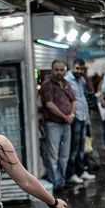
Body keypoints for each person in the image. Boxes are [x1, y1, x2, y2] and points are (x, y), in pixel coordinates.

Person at [39, 59, 76, 188]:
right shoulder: (47, 85)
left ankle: (62, 181)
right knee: (53, 156)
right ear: (52, 70)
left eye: (61, 70)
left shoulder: (66, 83)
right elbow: (49, 104)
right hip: (53, 124)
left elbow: (73, 100)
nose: (59, 72)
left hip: (67, 124)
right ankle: (55, 183)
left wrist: (71, 115)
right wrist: (65, 117)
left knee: (64, 155)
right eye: (57, 69)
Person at [65, 58, 96, 182]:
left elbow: (90, 91)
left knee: (81, 146)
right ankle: (72, 173)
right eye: (77, 68)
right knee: (74, 146)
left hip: (83, 116)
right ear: (72, 67)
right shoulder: (67, 80)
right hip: (75, 116)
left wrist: (87, 77)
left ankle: (81, 171)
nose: (79, 71)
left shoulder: (81, 79)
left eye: (81, 69)